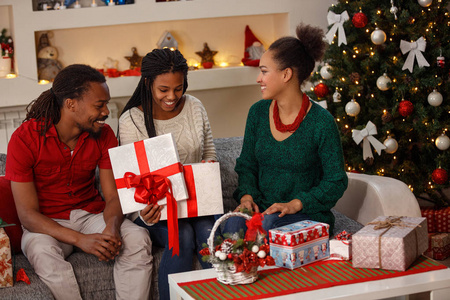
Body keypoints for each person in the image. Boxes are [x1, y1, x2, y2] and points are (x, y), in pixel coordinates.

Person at [5, 64, 152, 300]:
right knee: (43, 253)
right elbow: (27, 215)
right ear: (71, 104)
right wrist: (81, 241)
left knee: (137, 239)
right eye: (98, 105)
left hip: (89, 214)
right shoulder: (25, 139)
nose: (106, 111)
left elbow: (113, 196)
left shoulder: (103, 135)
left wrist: (112, 230)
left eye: (106, 103)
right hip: (46, 223)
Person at [224, 23, 348, 236]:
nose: (258, 79)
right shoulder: (257, 113)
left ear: (286, 74)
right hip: (263, 211)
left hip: (306, 214)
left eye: (264, 72)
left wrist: (296, 204)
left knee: (268, 228)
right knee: (232, 226)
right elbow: (247, 165)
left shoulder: (321, 122)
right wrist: (247, 198)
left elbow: (335, 180)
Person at [118, 48, 217, 300]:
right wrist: (142, 212)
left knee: (210, 233)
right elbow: (130, 178)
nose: (172, 96)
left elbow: (209, 152)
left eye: (178, 87)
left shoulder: (195, 107)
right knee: (181, 234)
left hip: (197, 204)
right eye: (164, 89)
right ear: (148, 83)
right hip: (155, 209)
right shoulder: (132, 119)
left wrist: (207, 169)